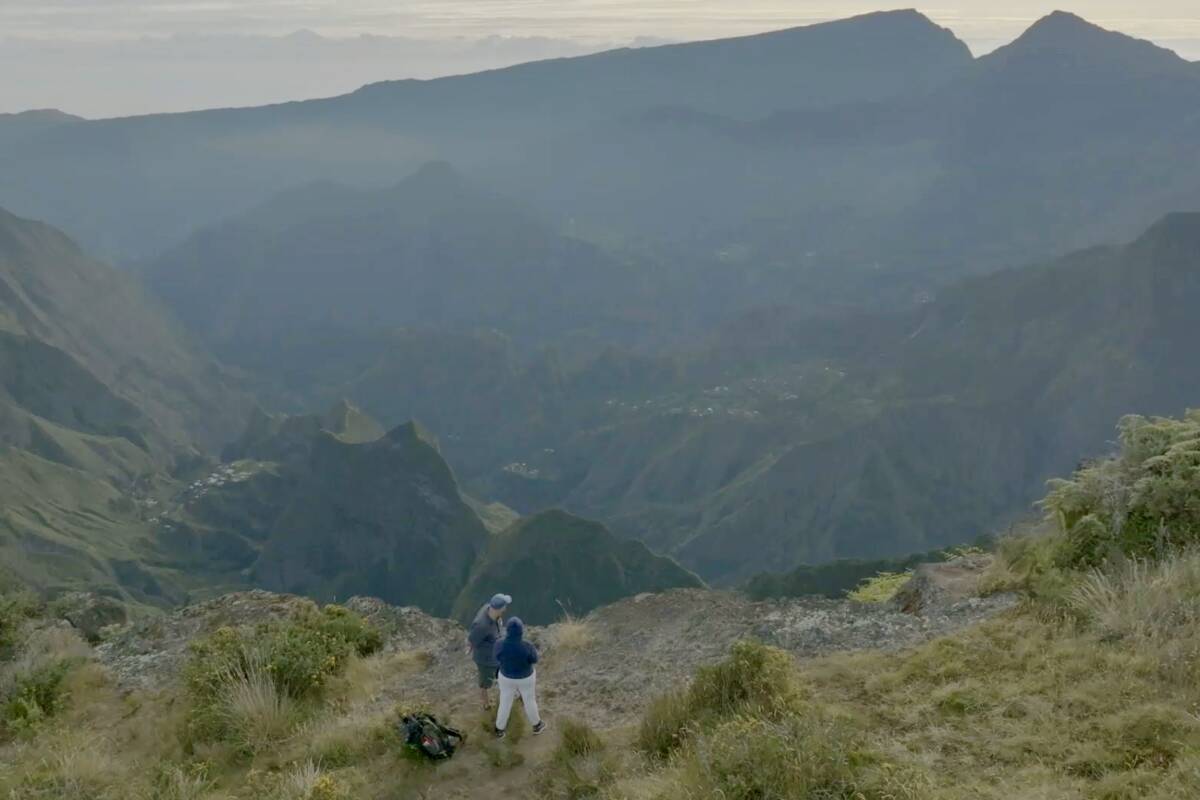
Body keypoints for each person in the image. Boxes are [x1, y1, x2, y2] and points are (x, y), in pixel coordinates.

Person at [493, 616, 545, 738]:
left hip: (506, 676)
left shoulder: (499, 644)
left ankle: (499, 730)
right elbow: (534, 660)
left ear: (508, 631)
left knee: (505, 702)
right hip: (525, 677)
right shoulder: (527, 645)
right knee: (529, 700)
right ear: (521, 631)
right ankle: (537, 725)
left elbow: (496, 658)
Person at [466, 593, 510, 710]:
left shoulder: (489, 609)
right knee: (485, 683)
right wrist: (470, 648)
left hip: (497, 657)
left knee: (504, 676)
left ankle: (508, 697)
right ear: (498, 609)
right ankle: (485, 705)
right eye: (504, 606)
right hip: (486, 661)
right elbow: (472, 639)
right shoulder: (482, 625)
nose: (506, 608)